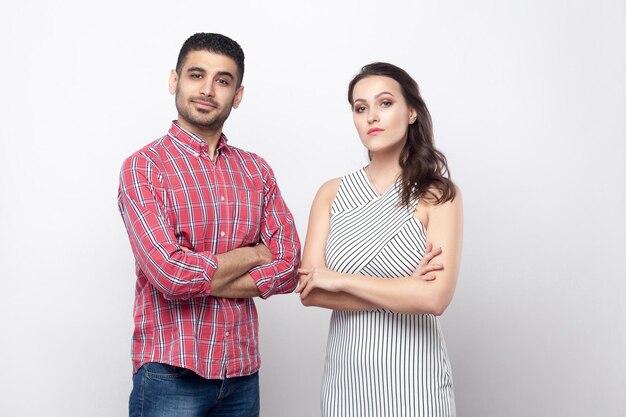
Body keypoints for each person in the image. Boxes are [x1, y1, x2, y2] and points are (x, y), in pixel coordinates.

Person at [118, 33, 300, 417]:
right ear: (174, 80)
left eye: (222, 80)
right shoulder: (144, 167)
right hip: (170, 373)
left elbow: (287, 268)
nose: (207, 90)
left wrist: (197, 268)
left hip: (241, 376)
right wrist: (254, 254)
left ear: (237, 95)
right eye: (196, 75)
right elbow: (169, 275)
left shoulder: (257, 171)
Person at [297, 62, 463, 417]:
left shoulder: (438, 195)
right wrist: (405, 291)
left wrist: (341, 280)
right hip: (345, 381)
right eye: (360, 108)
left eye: (385, 103)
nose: (372, 115)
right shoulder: (331, 193)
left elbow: (434, 298)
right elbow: (310, 291)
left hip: (415, 380)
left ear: (412, 111)